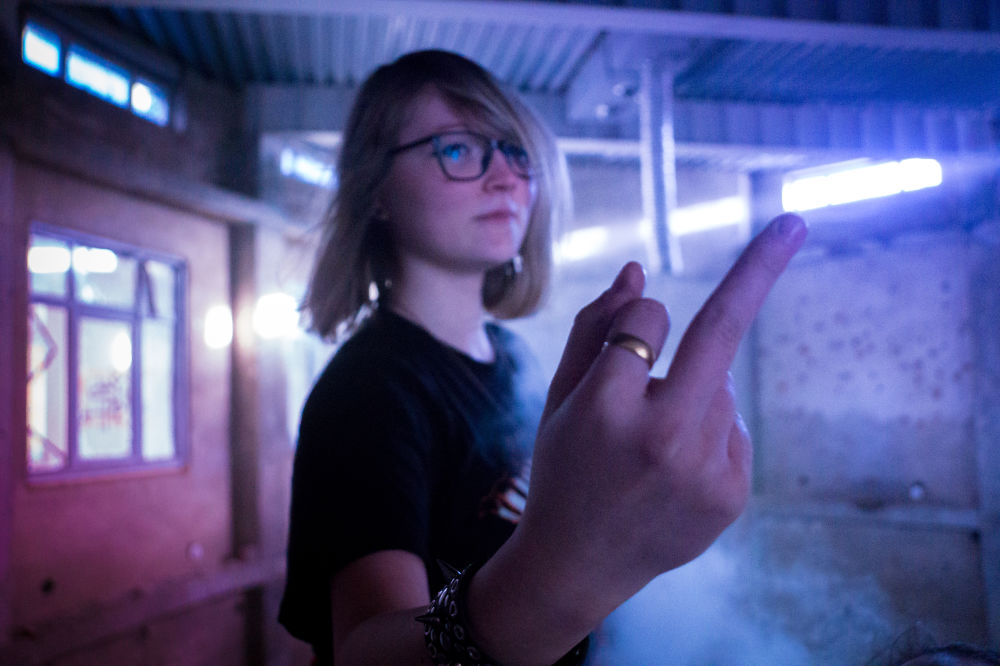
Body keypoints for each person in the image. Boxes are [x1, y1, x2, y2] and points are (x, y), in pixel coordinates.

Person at [278, 49, 808, 666]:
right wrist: (568, 576)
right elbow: (364, 651)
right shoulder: (370, 389)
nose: (505, 177)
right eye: (457, 149)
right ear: (376, 192)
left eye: (516, 152)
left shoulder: (511, 357)